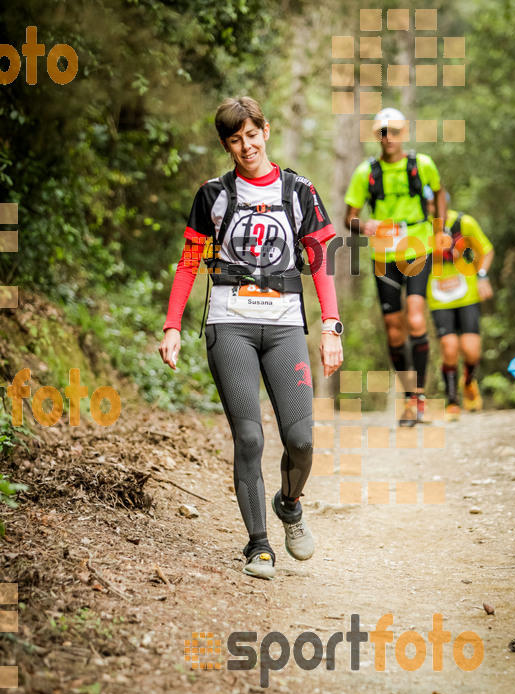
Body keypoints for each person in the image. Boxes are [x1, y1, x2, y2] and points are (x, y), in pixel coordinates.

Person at [159, 96, 343, 580]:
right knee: (248, 437)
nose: (246, 146)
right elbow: (188, 262)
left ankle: (290, 504)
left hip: (285, 327)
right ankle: (259, 545)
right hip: (229, 324)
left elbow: (320, 262)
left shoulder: (299, 190)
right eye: (235, 139)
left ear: (266, 130)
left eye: (252, 134)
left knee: (300, 440)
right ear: (226, 144)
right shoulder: (212, 194)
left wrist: (331, 326)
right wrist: (172, 325)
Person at [344, 107, 447, 426]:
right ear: (378, 136)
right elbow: (349, 217)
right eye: (383, 132)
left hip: (418, 247)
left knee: (416, 318)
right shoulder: (366, 172)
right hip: (383, 255)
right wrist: (366, 225)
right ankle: (409, 397)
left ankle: (418, 399)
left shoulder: (422, 165)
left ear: (405, 133)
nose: (389, 138)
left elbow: (440, 193)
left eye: (395, 131)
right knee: (393, 330)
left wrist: (440, 231)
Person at [425, 189, 494, 420]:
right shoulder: (422, 228)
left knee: (472, 350)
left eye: (435, 203)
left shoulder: (464, 222)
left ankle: (468, 382)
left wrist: (483, 275)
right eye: (428, 204)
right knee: (449, 347)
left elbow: (486, 249)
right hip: (438, 297)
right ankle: (452, 401)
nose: (432, 208)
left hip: (467, 294)